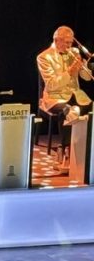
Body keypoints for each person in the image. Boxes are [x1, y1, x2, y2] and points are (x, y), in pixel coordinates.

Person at [37, 25, 93, 164]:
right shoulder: (44, 57)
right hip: (54, 97)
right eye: (66, 42)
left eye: (70, 42)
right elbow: (51, 85)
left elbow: (86, 78)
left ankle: (88, 147)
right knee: (70, 111)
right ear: (57, 40)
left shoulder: (73, 52)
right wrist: (69, 72)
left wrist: (83, 66)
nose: (69, 46)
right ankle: (65, 150)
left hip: (76, 95)